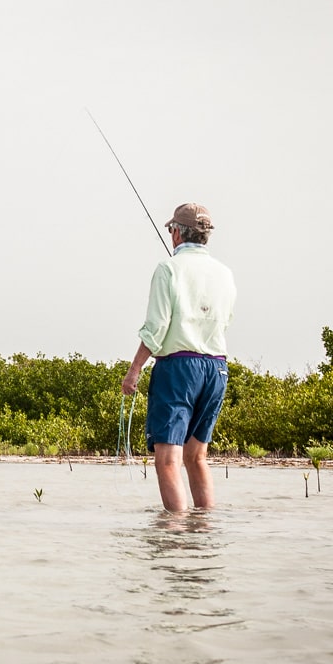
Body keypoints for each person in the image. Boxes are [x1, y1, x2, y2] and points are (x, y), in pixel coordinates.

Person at [121, 203, 236, 512]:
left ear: (176, 233)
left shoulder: (167, 269)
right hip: (217, 368)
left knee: (168, 460)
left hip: (179, 368)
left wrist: (134, 371)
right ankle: (203, 531)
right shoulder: (225, 273)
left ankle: (175, 536)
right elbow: (225, 319)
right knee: (197, 457)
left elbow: (156, 326)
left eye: (171, 228)